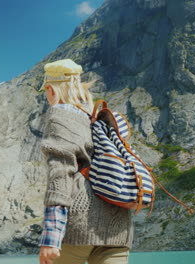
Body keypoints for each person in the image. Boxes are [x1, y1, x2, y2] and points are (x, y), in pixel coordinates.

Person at [37, 59, 133, 264]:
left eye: (45, 91)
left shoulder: (60, 116)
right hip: (118, 226)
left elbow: (61, 174)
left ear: (51, 90)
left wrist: (51, 238)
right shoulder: (100, 119)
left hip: (79, 228)